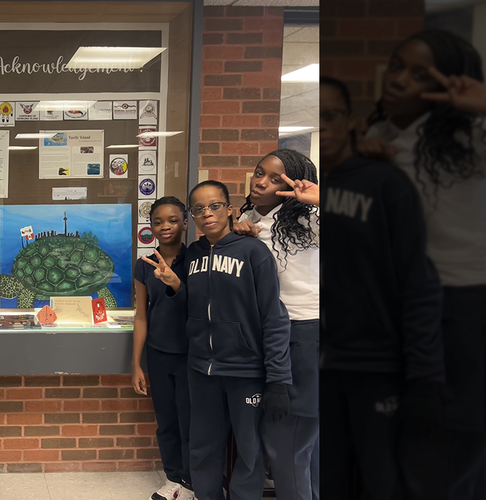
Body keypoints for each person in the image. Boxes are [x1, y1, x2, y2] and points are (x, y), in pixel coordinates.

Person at [358, 29, 483, 499]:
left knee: (446, 451)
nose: (398, 81)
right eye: (396, 67)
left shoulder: (471, 137)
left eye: (419, 75)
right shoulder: (381, 136)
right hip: (399, 312)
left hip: (460, 308)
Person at [320, 76, 444, 500]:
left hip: (375, 364)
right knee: (327, 477)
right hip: (319, 365)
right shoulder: (304, 199)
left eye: (330, 114)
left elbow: (418, 280)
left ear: (352, 121)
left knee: (382, 478)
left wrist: (425, 373)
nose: (323, 125)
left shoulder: (385, 184)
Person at [145, 180, 291, 500]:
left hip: (245, 369)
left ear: (229, 209)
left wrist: (279, 377)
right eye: (199, 209)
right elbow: (193, 306)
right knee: (202, 448)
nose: (207, 213)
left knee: (250, 451)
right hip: (201, 369)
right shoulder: (194, 255)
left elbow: (273, 316)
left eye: (214, 206)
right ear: (192, 216)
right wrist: (175, 285)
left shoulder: (253, 251)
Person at [233, 150, 320, 500]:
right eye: (259, 173)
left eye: (273, 179)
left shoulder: (307, 220)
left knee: (287, 444)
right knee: (302, 448)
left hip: (304, 334)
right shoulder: (249, 219)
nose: (260, 182)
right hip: (274, 335)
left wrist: (320, 201)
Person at [131, 196, 194, 500]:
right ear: (151, 227)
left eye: (172, 220)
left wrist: (175, 282)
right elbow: (141, 315)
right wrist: (136, 364)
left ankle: (192, 482)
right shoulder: (144, 265)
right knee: (166, 422)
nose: (165, 226)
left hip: (193, 354)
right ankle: (173, 480)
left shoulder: (197, 259)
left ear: (185, 223)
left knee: (190, 421)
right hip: (158, 353)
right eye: (158, 221)